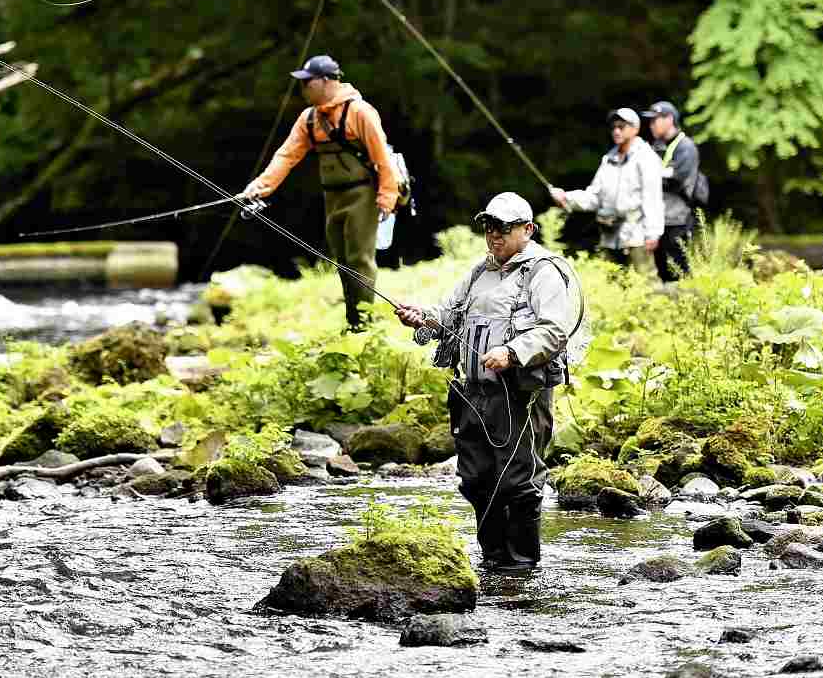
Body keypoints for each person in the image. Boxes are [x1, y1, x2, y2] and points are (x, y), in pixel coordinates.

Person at [395, 192, 573, 572]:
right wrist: (421, 317)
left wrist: (511, 352)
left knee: (518, 484)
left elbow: (555, 329)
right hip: (473, 393)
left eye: (504, 228)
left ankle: (522, 568)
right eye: (490, 227)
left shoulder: (544, 271)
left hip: (520, 395)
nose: (495, 235)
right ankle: (494, 562)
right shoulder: (479, 271)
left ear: (528, 230)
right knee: (475, 480)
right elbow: (447, 315)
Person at [242, 55, 399, 331]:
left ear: (326, 81)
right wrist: (260, 187)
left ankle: (364, 325)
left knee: (359, 260)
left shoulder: (360, 112)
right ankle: (354, 321)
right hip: (332, 197)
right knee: (341, 260)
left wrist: (387, 196)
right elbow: (286, 156)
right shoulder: (309, 118)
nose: (303, 89)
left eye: (307, 82)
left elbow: (382, 157)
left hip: (362, 195)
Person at [549, 108, 663, 278]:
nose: (616, 130)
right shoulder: (608, 159)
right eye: (614, 127)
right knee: (612, 287)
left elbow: (652, 199)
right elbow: (594, 197)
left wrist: (653, 233)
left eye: (622, 126)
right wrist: (567, 197)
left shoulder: (647, 158)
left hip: (637, 236)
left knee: (646, 287)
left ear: (635, 129)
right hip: (609, 237)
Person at [641, 101, 699, 281]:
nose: (651, 125)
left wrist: (653, 174)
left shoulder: (685, 147)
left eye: (655, 120)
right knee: (662, 273)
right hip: (658, 222)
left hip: (678, 221)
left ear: (670, 119)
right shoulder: (656, 146)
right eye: (649, 121)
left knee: (680, 273)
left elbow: (677, 180)